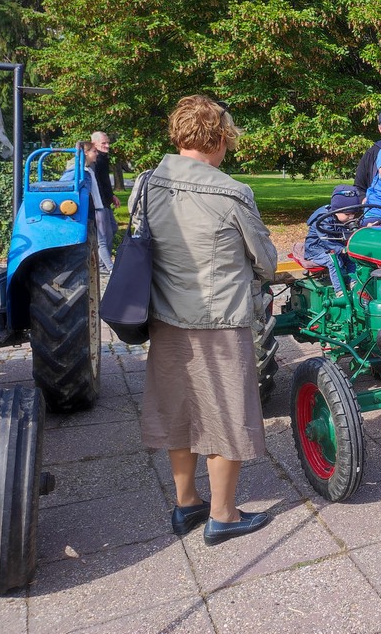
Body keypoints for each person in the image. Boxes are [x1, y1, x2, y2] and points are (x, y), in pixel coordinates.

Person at [135, 95, 278, 546]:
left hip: (164, 317)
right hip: (218, 321)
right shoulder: (232, 192)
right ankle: (223, 514)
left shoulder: (145, 184)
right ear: (218, 137)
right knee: (224, 415)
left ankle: (186, 504)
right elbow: (266, 262)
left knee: (178, 411)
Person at [61, 141, 114, 273]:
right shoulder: (78, 171)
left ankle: (104, 267)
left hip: (97, 208)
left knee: (101, 239)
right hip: (94, 209)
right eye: (94, 151)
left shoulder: (88, 169)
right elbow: (63, 185)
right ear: (86, 153)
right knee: (101, 241)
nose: (97, 154)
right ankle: (110, 269)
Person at [304, 184, 362, 294]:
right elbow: (327, 241)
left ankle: (353, 282)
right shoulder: (323, 219)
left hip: (336, 247)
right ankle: (340, 291)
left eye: (353, 214)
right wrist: (342, 250)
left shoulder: (343, 220)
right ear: (336, 210)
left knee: (352, 258)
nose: (351, 217)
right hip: (317, 250)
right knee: (334, 260)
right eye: (347, 214)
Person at [91, 131, 121, 262]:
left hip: (105, 201)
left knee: (113, 229)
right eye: (104, 143)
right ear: (94, 144)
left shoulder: (102, 158)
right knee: (104, 235)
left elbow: (104, 182)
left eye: (108, 143)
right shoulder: (95, 160)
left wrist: (112, 196)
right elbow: (96, 183)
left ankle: (102, 261)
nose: (107, 145)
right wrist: (102, 203)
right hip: (99, 202)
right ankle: (103, 264)